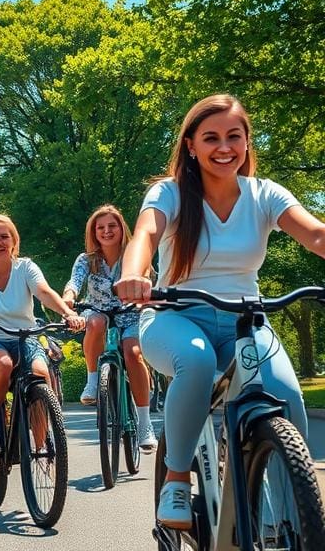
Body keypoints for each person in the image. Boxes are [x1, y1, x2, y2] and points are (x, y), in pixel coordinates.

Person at [117, 94, 325, 530]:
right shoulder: (170, 193)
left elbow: (316, 235)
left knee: (285, 394)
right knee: (196, 359)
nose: (223, 146)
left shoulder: (264, 194)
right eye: (210, 138)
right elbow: (145, 234)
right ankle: (176, 479)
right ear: (191, 145)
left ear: (248, 143)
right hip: (174, 317)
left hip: (245, 322)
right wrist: (135, 274)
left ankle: (287, 522)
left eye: (234, 136)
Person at [0, 214, 85, 453]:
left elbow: (44, 292)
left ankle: (41, 446)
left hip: (24, 337)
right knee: (3, 364)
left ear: (14, 242)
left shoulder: (25, 267)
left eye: (4, 237)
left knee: (40, 373)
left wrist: (68, 313)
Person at [63, 204, 157, 450]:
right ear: (93, 233)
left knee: (133, 353)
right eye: (100, 227)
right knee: (93, 322)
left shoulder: (133, 253)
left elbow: (145, 274)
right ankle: (93, 379)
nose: (106, 231)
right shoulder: (87, 260)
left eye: (112, 226)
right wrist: (69, 296)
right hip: (99, 312)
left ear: (121, 228)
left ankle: (145, 423)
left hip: (131, 313)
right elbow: (75, 281)